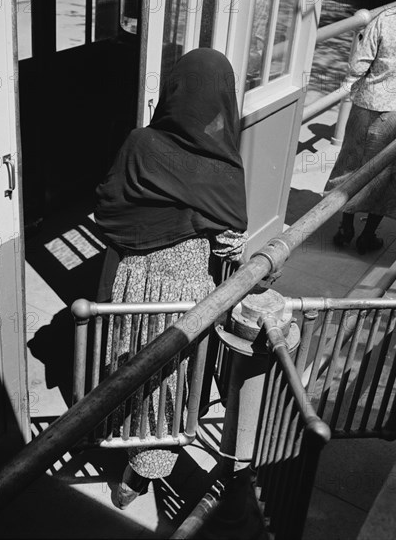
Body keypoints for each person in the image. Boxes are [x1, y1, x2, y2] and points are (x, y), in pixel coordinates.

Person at [94, 48, 248, 509]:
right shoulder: (220, 160)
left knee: (129, 368)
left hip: (130, 285)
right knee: (170, 386)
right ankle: (139, 477)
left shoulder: (140, 142)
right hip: (184, 294)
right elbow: (231, 239)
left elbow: (107, 207)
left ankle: (117, 441)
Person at [326, 1, 396, 254]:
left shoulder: (386, 18)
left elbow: (357, 66)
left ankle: (345, 228)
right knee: (387, 174)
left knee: (351, 166)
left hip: (369, 105)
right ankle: (368, 235)